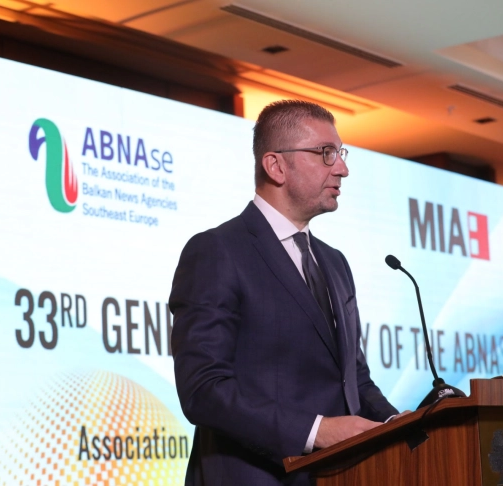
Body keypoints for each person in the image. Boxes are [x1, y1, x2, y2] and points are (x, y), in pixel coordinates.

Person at [170, 100, 399, 485]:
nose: (341, 169)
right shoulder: (217, 251)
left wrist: (398, 423)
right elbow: (203, 390)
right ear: (275, 166)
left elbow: (353, 380)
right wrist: (316, 431)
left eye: (340, 154)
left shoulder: (335, 263)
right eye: (326, 153)